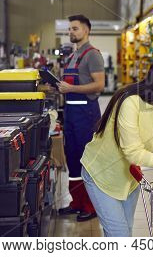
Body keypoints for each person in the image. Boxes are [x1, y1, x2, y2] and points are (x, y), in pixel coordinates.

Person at [80, 53, 153, 237]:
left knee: (125, 233)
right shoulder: (132, 102)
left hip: (130, 180)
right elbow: (134, 153)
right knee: (120, 235)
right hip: (101, 175)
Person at [57, 15, 105, 222]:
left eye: (75, 28)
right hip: (71, 114)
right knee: (73, 159)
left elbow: (99, 85)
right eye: (69, 29)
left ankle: (90, 206)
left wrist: (71, 88)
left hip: (86, 114)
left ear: (86, 30)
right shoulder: (73, 56)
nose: (71, 32)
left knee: (88, 161)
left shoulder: (92, 55)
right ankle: (76, 202)